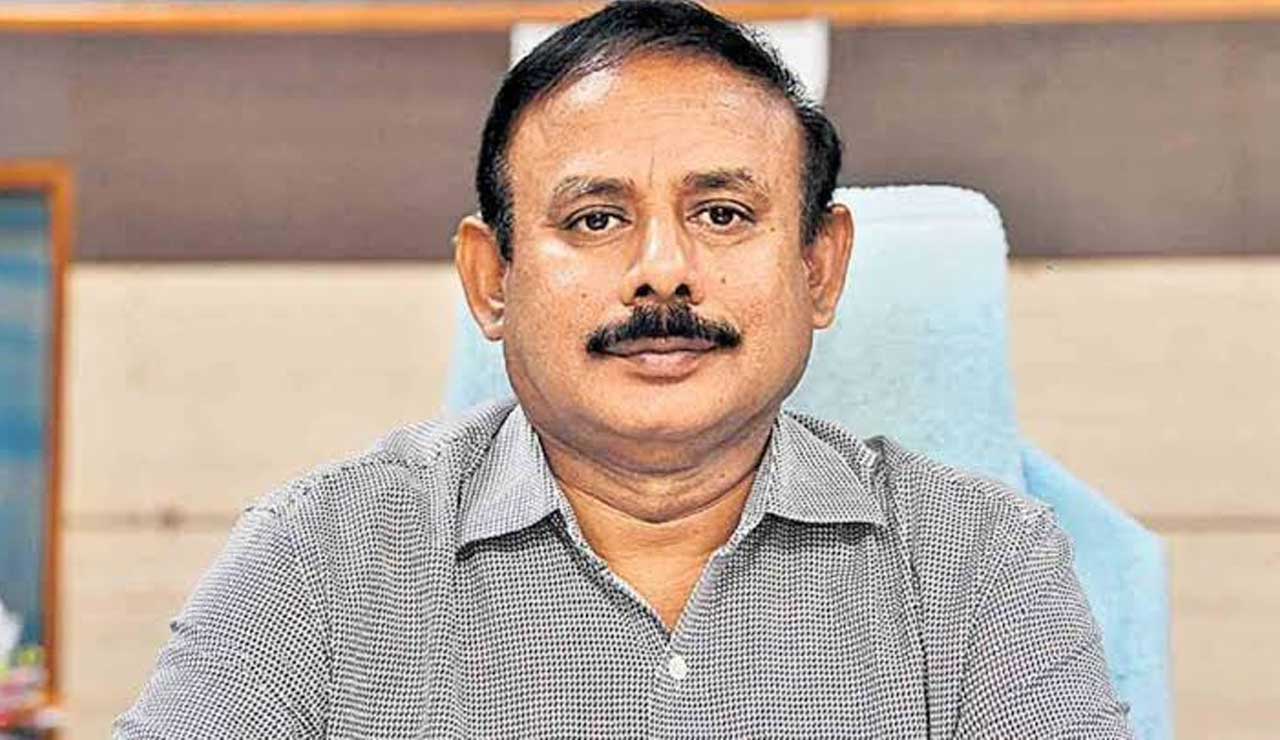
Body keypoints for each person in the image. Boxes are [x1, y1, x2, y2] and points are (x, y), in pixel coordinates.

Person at [114, 1, 1132, 737]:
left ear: (819, 269)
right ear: (491, 279)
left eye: (722, 213)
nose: (662, 270)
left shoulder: (980, 562)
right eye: (595, 219)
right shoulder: (321, 558)